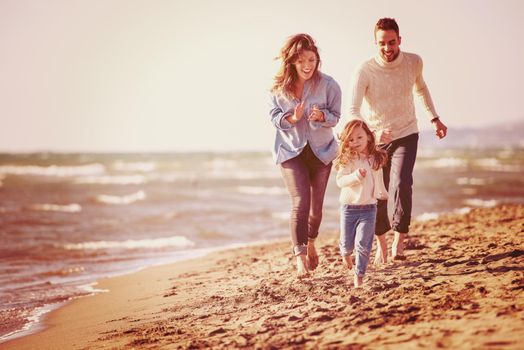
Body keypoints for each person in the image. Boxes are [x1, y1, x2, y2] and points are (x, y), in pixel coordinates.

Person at [348, 18, 448, 263]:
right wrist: (371, 134)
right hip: (377, 140)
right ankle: (381, 241)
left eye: (392, 42)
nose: (387, 48)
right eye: (382, 43)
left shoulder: (414, 62)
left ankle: (399, 241)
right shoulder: (365, 70)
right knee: (379, 192)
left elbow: (421, 89)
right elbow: (352, 109)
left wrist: (434, 119)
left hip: (406, 132)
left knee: (402, 182)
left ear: (399, 40)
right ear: (375, 43)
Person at [269, 33, 342, 277]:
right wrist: (292, 118)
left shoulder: (329, 85)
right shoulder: (278, 89)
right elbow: (274, 118)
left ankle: (311, 242)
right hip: (291, 150)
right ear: (292, 62)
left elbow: (335, 116)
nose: (307, 66)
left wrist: (323, 118)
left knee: (316, 210)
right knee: (300, 202)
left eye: (311, 60)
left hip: (321, 152)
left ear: (317, 59)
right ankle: (299, 258)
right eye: (301, 61)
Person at [335, 120, 388, 287]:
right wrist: (356, 176)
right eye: (350, 139)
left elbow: (378, 178)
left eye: (359, 137)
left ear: (369, 138)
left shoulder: (375, 158)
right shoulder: (348, 159)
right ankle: (345, 253)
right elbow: (340, 181)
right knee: (348, 243)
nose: (355, 142)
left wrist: (382, 193)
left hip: (369, 209)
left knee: (363, 245)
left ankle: (359, 276)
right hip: (349, 209)